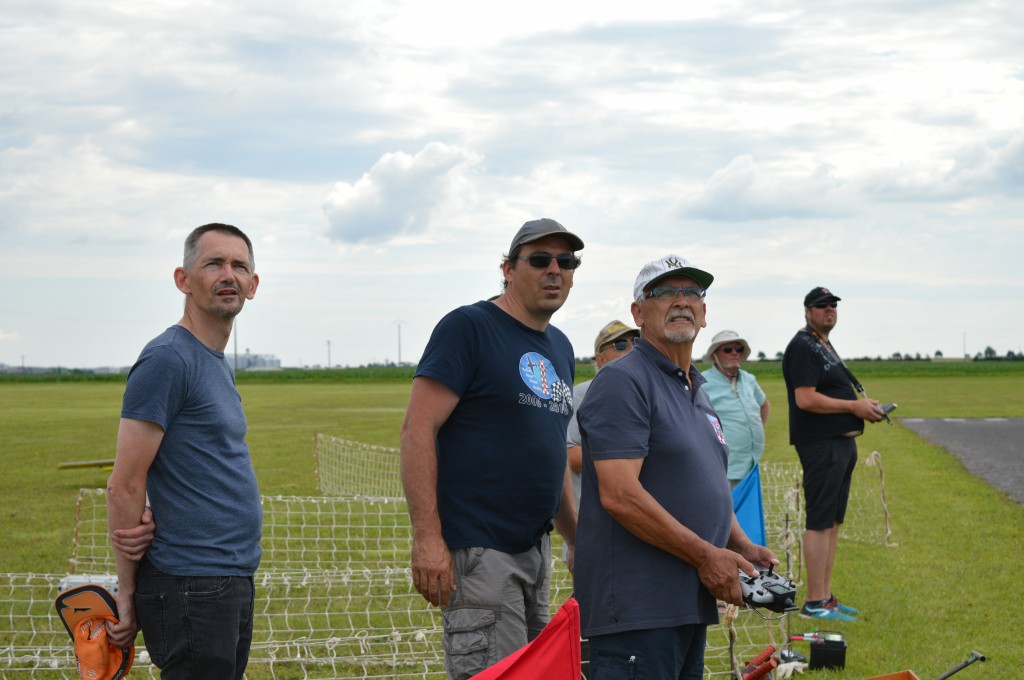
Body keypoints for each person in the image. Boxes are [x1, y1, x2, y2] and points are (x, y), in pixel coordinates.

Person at [575, 254, 777, 679]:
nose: (681, 300)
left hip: (686, 604)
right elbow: (619, 494)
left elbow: (703, 484)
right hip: (637, 611)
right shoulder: (623, 381)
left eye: (692, 293)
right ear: (638, 313)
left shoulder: (697, 389)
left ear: (704, 313)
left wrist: (740, 544)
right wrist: (706, 556)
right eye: (665, 292)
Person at [400, 218, 583, 680]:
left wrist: (576, 537)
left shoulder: (560, 347)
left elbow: (552, 452)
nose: (555, 270)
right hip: (481, 551)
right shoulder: (469, 327)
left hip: (535, 550)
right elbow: (417, 429)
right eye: (539, 260)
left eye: (566, 261)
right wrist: (427, 537)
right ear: (508, 269)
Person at [105, 223, 263, 679]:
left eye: (239, 266)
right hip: (191, 582)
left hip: (227, 577)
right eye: (214, 263)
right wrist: (126, 593)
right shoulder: (168, 358)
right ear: (183, 279)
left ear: (253, 285)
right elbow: (124, 484)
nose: (228, 275)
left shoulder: (213, 361)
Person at [782, 286, 885, 622]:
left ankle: (825, 597)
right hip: (820, 443)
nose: (829, 309)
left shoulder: (822, 343)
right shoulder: (803, 346)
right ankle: (813, 602)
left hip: (840, 444)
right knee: (820, 520)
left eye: (833, 305)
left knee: (833, 521)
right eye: (821, 305)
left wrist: (863, 406)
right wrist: (854, 406)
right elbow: (805, 398)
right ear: (807, 311)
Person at [565, 320, 640, 515]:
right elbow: (572, 457)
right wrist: (630, 455)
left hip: (639, 516)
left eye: (636, 342)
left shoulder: (649, 394)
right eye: (620, 345)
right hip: (593, 516)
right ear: (600, 359)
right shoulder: (583, 394)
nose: (632, 348)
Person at [701, 330, 770, 488]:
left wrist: (755, 430)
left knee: (748, 505)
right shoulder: (702, 382)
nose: (734, 352)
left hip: (752, 464)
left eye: (738, 348)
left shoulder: (748, 379)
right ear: (714, 356)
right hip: (723, 468)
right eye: (727, 349)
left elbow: (764, 405)